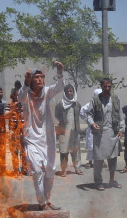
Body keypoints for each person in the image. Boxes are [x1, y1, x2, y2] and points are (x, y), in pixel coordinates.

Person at [18, 63, 65, 209]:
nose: (40, 80)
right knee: (37, 171)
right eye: (36, 77)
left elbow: (59, 86)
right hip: (31, 139)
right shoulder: (26, 94)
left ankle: (48, 199)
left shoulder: (47, 92)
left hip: (48, 139)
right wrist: (26, 81)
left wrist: (59, 71)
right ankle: (41, 202)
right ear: (31, 81)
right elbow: (20, 97)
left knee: (50, 170)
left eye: (41, 77)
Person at [87, 78, 124, 190]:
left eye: (109, 86)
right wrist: (92, 123)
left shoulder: (116, 99)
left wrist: (121, 129)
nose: (107, 88)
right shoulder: (95, 100)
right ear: (101, 87)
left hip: (112, 132)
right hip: (99, 133)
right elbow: (89, 114)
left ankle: (112, 180)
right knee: (98, 159)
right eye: (105, 86)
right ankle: (98, 182)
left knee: (113, 158)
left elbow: (120, 115)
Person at [54, 84, 83, 177]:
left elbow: (80, 113)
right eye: (68, 91)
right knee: (64, 151)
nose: (70, 93)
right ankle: (64, 170)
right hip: (64, 131)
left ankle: (77, 168)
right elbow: (56, 116)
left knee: (76, 150)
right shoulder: (60, 104)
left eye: (71, 91)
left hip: (75, 130)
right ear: (65, 92)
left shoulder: (76, 103)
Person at [6, 83, 26, 175]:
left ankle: (25, 169)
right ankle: (16, 169)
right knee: (14, 152)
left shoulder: (24, 104)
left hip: (23, 131)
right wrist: (14, 109)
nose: (18, 97)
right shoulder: (9, 105)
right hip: (13, 132)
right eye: (17, 95)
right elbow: (6, 115)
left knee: (24, 151)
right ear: (13, 95)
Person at [80, 87, 102, 169]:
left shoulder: (105, 103)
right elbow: (82, 111)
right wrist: (88, 121)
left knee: (101, 145)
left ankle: (101, 161)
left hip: (101, 127)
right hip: (92, 127)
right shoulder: (91, 104)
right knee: (91, 145)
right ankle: (89, 161)